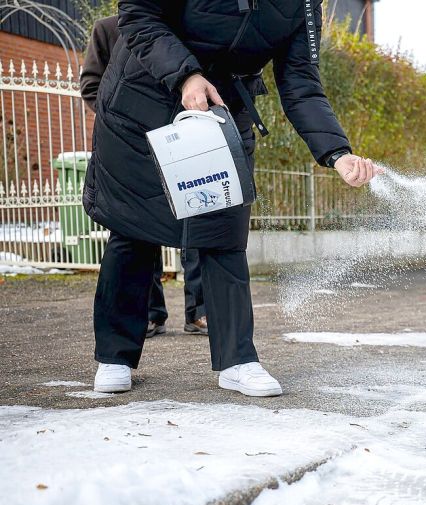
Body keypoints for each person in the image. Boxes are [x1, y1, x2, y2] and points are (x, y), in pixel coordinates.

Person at [83, 1, 380, 397]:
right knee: (135, 229)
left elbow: (302, 84)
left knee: (224, 231)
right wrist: (186, 75)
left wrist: (336, 154)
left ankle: (237, 361)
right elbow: (138, 14)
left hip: (222, 109)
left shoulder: (303, 6)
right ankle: (115, 355)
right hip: (140, 101)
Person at [80, 14, 209, 341]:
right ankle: (151, 314)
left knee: (196, 220)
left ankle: (200, 311)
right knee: (137, 230)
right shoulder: (108, 29)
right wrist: (123, 121)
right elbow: (92, 85)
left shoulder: (185, 24)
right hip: (133, 145)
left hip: (183, 141)